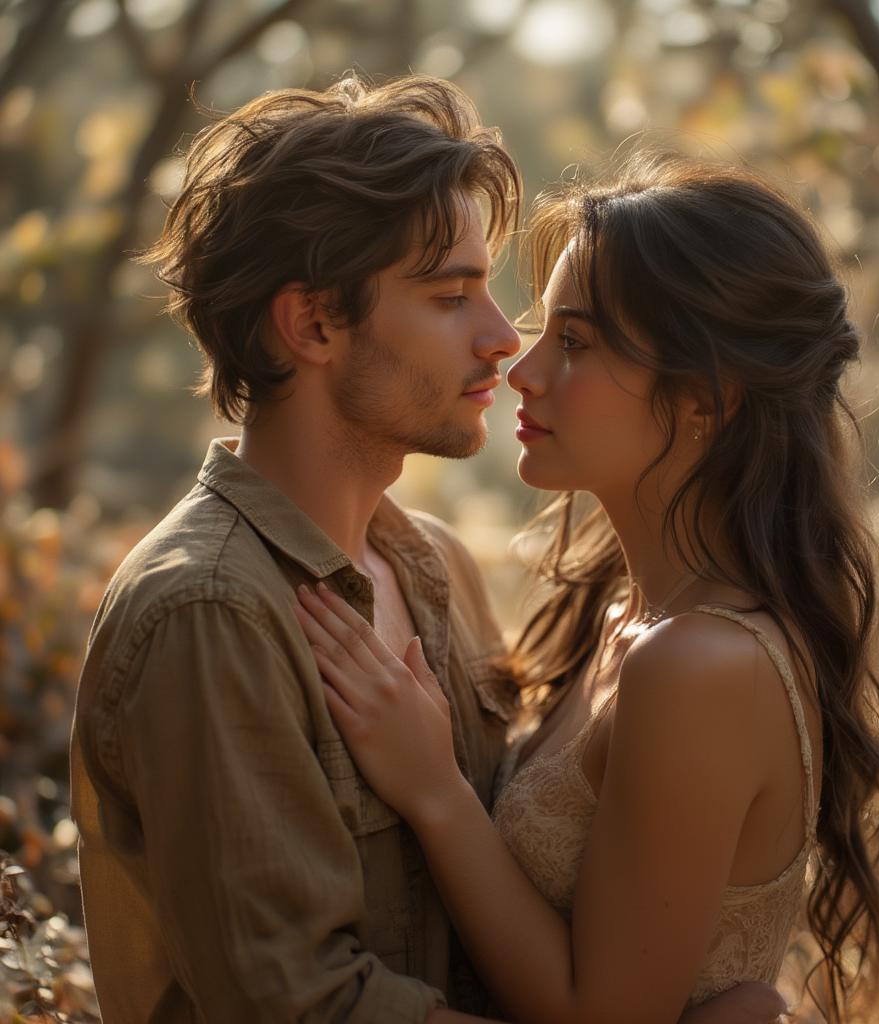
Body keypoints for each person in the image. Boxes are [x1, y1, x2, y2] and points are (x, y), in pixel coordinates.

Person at [69, 74, 785, 1024]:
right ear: (314, 324)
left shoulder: (433, 564)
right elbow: (301, 1007)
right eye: (453, 298)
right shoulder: (213, 612)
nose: (503, 342)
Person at [293, 153, 879, 1023]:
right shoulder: (627, 611)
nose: (524, 369)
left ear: (709, 398)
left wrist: (434, 790)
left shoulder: (701, 665)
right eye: (545, 332)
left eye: (575, 343)